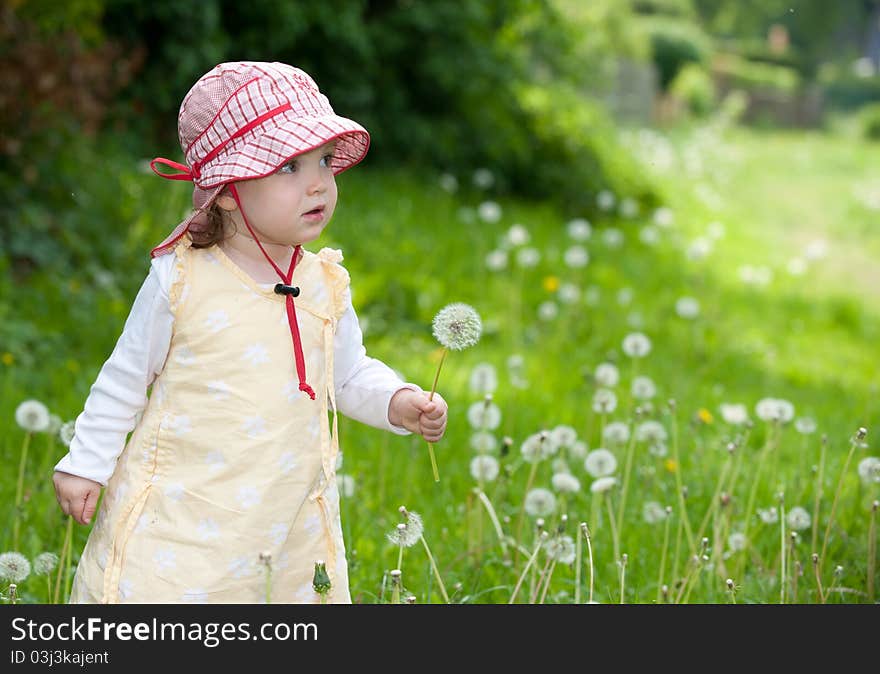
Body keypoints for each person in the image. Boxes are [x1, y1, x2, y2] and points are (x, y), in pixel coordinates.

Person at [52, 61, 448, 604]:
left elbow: (347, 373)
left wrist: (398, 400)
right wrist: (86, 462)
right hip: (185, 513)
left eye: (325, 162)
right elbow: (125, 378)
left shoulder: (324, 282)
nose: (318, 183)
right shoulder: (183, 278)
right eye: (288, 165)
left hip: (286, 520)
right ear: (228, 189)